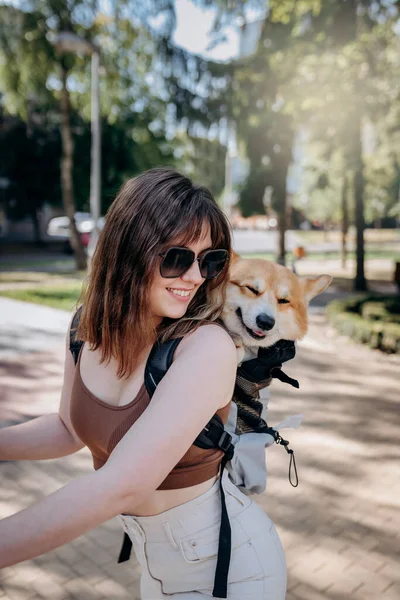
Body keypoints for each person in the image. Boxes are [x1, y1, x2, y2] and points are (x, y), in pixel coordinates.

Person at [0, 168, 287, 599]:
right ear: (128, 250)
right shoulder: (85, 330)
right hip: (155, 568)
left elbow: (121, 485)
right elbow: (68, 429)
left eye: (210, 261)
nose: (194, 277)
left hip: (229, 570)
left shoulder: (206, 347)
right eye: (177, 257)